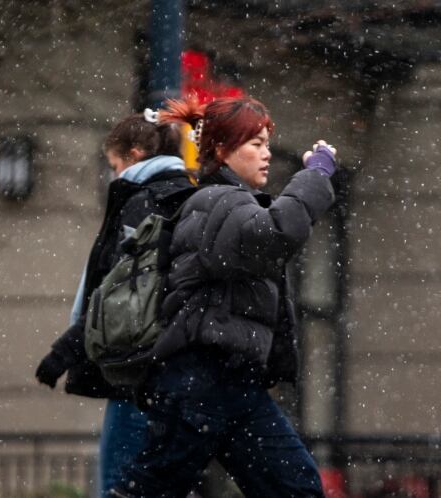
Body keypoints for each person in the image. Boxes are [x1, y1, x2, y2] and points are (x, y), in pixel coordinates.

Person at [111, 96, 338, 498]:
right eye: (256, 144)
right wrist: (315, 176)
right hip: (198, 384)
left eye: (267, 143)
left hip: (231, 385)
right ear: (220, 150)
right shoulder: (215, 201)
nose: (267, 154)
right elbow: (276, 235)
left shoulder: (233, 204)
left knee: (297, 488)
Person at [34, 110, 196, 497]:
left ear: (136, 154)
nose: (114, 174)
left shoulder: (141, 203)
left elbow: (119, 299)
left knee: (119, 483)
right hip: (175, 369)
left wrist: (64, 352)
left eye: (116, 164)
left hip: (136, 368)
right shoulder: (188, 196)